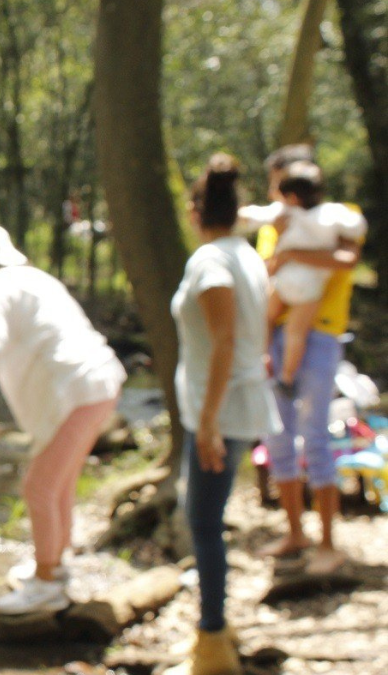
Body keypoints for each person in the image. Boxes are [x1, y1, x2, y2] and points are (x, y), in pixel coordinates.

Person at [0, 223, 126, 615]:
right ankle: (55, 562)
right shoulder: (33, 278)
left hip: (78, 390)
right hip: (100, 383)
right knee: (59, 483)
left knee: (39, 487)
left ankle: (46, 582)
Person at [167, 154, 281, 675]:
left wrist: (208, 420)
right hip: (234, 403)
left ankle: (212, 644)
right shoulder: (246, 253)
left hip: (221, 411)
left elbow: (225, 338)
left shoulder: (211, 262)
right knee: (208, 521)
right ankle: (216, 631)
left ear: (196, 212)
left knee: (204, 524)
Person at [250, 147, 367, 574]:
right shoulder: (276, 220)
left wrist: (294, 254)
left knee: (315, 437)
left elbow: (345, 259)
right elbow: (266, 271)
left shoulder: (338, 214)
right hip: (276, 334)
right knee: (276, 436)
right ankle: (295, 532)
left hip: (320, 331)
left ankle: (329, 542)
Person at [237, 161, 367, 394]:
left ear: (291, 196)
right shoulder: (334, 214)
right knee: (294, 333)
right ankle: (286, 377)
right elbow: (356, 226)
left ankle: (261, 359)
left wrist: (289, 252)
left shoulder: (283, 212)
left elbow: (252, 215)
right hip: (310, 288)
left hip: (288, 285)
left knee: (265, 314)